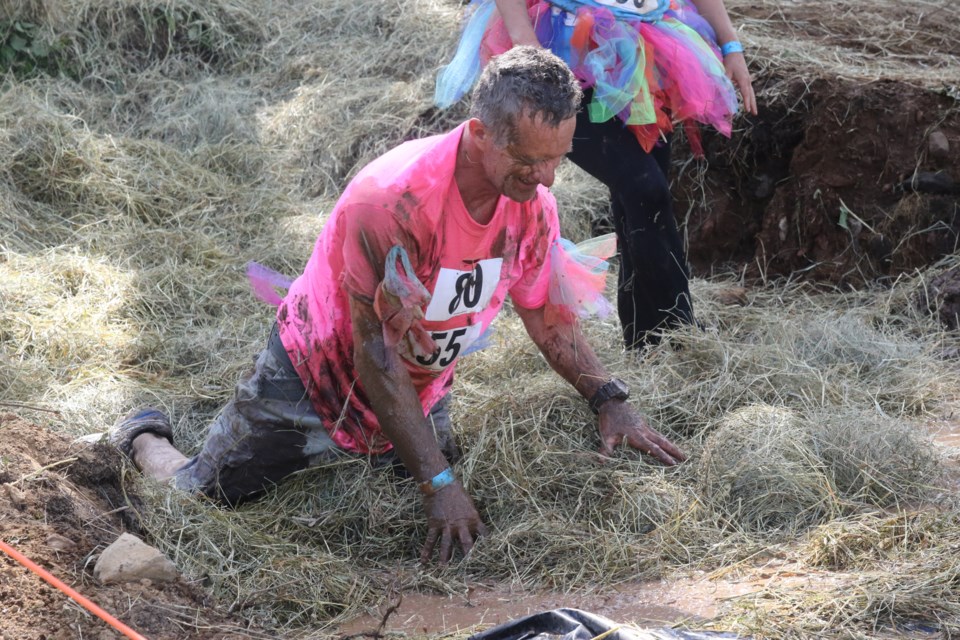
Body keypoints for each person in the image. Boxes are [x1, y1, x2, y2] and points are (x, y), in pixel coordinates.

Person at [110, 46, 686, 566]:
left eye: (558, 159)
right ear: (481, 133)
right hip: (317, 372)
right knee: (201, 497)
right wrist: (438, 483)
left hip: (420, 382)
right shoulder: (393, 202)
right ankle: (143, 437)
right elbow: (373, 356)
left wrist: (608, 397)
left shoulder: (530, 204)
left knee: (416, 511)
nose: (546, 179)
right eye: (530, 162)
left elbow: (545, 317)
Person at [436, 0, 758, 348]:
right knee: (644, 187)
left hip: (649, 43)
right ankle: (680, 334)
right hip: (563, 47)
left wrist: (731, 45)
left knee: (641, 197)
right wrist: (529, 47)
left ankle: (648, 341)